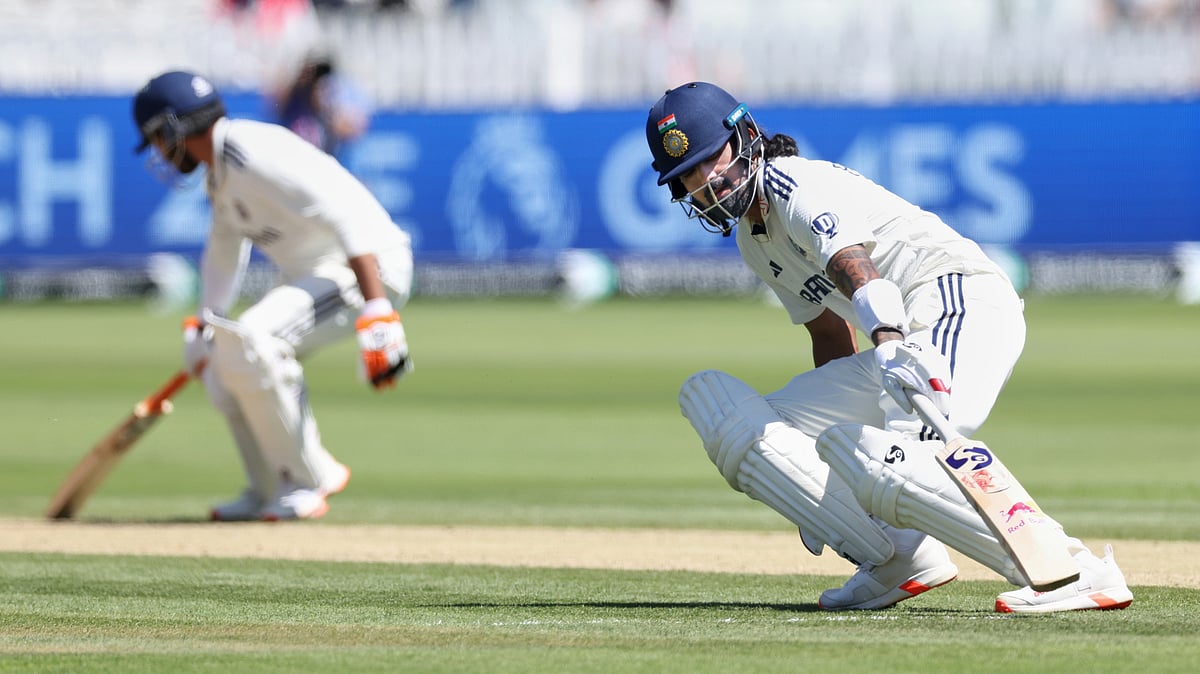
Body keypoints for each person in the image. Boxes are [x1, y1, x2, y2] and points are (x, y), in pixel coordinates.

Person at [644, 82, 1133, 613]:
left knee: (897, 460)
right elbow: (828, 334)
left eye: (710, 159)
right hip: (894, 340)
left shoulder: (793, 184)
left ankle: (1074, 573)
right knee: (748, 428)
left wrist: (891, 341)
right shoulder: (752, 239)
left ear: (746, 136)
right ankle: (898, 557)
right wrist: (816, 492)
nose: (705, 183)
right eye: (687, 176)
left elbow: (855, 266)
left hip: (958, 305)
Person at [133, 70, 414, 521]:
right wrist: (204, 325)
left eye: (157, 140)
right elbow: (223, 253)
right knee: (227, 357)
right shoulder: (221, 175)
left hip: (366, 267)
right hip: (322, 274)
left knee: (253, 339)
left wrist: (378, 309)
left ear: (173, 128)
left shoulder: (252, 153)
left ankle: (311, 478)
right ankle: (266, 489)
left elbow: (345, 212)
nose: (160, 153)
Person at [270, 51, 371, 160]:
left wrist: (332, 111)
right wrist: (299, 78)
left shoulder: (334, 104)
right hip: (295, 163)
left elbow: (353, 128)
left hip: (325, 166)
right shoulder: (296, 104)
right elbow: (276, 104)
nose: (317, 84)